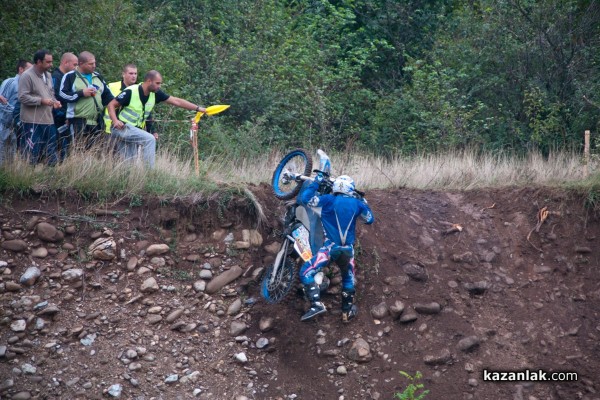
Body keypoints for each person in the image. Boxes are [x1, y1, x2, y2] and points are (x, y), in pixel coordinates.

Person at [298, 174, 374, 322]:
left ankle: (316, 304)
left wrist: (315, 183)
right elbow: (370, 219)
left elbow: (305, 199)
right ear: (350, 189)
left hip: (330, 249)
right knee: (348, 278)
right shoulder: (357, 204)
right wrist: (363, 201)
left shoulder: (328, 200)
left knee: (306, 272)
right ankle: (346, 313)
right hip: (348, 250)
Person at [107, 70, 206, 168]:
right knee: (149, 139)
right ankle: (150, 174)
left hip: (133, 131)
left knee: (129, 166)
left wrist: (198, 109)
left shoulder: (155, 94)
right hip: (121, 128)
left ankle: (128, 181)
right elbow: (111, 104)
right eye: (157, 83)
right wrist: (115, 121)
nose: (159, 86)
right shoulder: (131, 91)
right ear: (149, 81)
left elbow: (177, 101)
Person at [59, 51, 113, 149]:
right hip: (78, 120)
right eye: (91, 64)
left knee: (96, 151)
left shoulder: (98, 76)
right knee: (77, 150)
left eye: (94, 63)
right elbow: (62, 95)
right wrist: (81, 93)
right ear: (81, 64)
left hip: (96, 121)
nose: (94, 66)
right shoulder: (70, 76)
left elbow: (108, 96)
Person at [18, 49, 61, 166]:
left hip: (48, 119)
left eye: (51, 61)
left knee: (51, 150)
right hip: (31, 121)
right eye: (48, 62)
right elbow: (22, 97)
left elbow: (50, 93)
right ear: (38, 62)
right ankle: (28, 179)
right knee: (32, 153)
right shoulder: (27, 76)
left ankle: (50, 177)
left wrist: (55, 101)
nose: (51, 64)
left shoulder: (48, 75)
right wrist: (41, 101)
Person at [103, 63, 156, 135]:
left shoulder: (141, 90)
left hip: (134, 132)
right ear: (123, 74)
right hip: (110, 130)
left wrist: (152, 131)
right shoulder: (112, 87)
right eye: (131, 73)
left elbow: (146, 113)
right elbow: (103, 106)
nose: (133, 76)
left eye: (135, 73)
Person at [0, 59, 32, 165]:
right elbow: (1, 103)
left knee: (11, 158)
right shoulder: (11, 82)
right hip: (3, 125)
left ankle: (9, 178)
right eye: (29, 70)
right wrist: (15, 112)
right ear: (21, 69)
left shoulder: (27, 86)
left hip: (15, 127)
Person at [52, 52, 78, 161]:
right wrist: (65, 116)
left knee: (68, 145)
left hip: (66, 117)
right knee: (60, 144)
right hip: (58, 118)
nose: (76, 68)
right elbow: (55, 98)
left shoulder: (68, 78)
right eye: (74, 64)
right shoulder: (56, 77)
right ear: (65, 63)